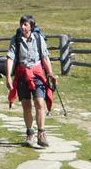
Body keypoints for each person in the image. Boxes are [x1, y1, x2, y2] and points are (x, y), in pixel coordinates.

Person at [5, 14, 55, 149]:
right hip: (22, 74)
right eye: (21, 24)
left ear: (31, 27)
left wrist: (50, 73)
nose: (22, 27)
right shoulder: (16, 39)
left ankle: (41, 133)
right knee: (26, 105)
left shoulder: (39, 39)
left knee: (39, 102)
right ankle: (30, 133)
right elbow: (10, 57)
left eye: (25, 24)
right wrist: (8, 76)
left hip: (37, 74)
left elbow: (45, 57)